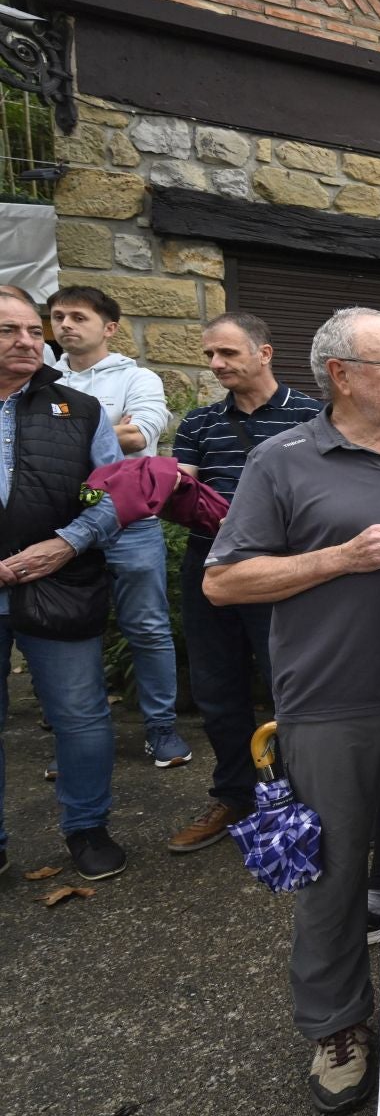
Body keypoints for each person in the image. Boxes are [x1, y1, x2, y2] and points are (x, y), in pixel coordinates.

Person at [203, 307, 380, 1112]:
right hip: (331, 703)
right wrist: (340, 557)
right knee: (332, 880)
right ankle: (337, 1025)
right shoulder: (281, 460)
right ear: (342, 374)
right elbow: (224, 580)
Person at [166, 314, 325, 854]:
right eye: (211, 355)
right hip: (210, 566)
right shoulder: (199, 423)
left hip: (285, 569)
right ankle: (234, 795)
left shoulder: (313, 414)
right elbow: (181, 492)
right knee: (216, 689)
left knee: (291, 686)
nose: (217, 364)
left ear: (264, 353)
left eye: (228, 353)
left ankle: (304, 798)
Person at [0, 291, 130, 880]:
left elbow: (114, 496)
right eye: (10, 331)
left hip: (60, 583)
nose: (29, 341)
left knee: (80, 716)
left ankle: (87, 827)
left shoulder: (80, 410)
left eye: (33, 330)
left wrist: (67, 543)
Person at [48, 286, 188, 767]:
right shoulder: (41, 381)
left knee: (147, 628)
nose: (65, 325)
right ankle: (79, 736)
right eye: (58, 316)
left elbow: (140, 435)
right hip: (63, 525)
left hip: (129, 520)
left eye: (78, 317)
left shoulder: (138, 377)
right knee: (70, 628)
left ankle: (162, 730)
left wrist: (64, 428)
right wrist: (107, 425)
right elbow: (115, 433)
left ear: (108, 327)